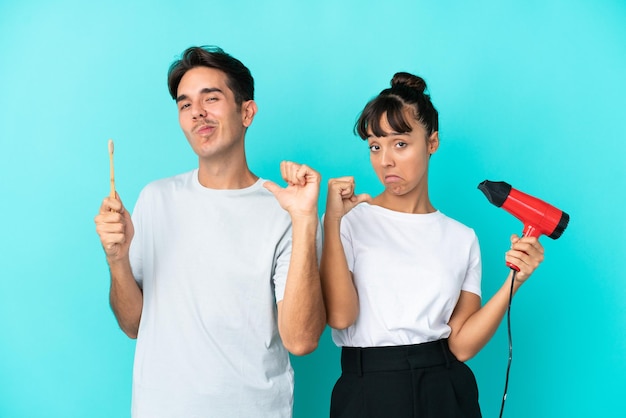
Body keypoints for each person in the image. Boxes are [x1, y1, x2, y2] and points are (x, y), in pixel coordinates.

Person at [94, 45, 326, 418]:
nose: (197, 112)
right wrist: (117, 260)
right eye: (185, 105)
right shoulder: (155, 200)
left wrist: (303, 220)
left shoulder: (287, 209)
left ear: (247, 111)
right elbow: (133, 325)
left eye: (211, 98)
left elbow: (301, 340)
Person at [320, 72, 545, 417]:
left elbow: (462, 344)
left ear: (432, 142)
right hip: (367, 388)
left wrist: (514, 282)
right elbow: (340, 316)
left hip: (445, 390)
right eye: (375, 147)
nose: (386, 161)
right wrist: (332, 222)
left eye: (400, 143)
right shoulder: (349, 220)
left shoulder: (461, 237)